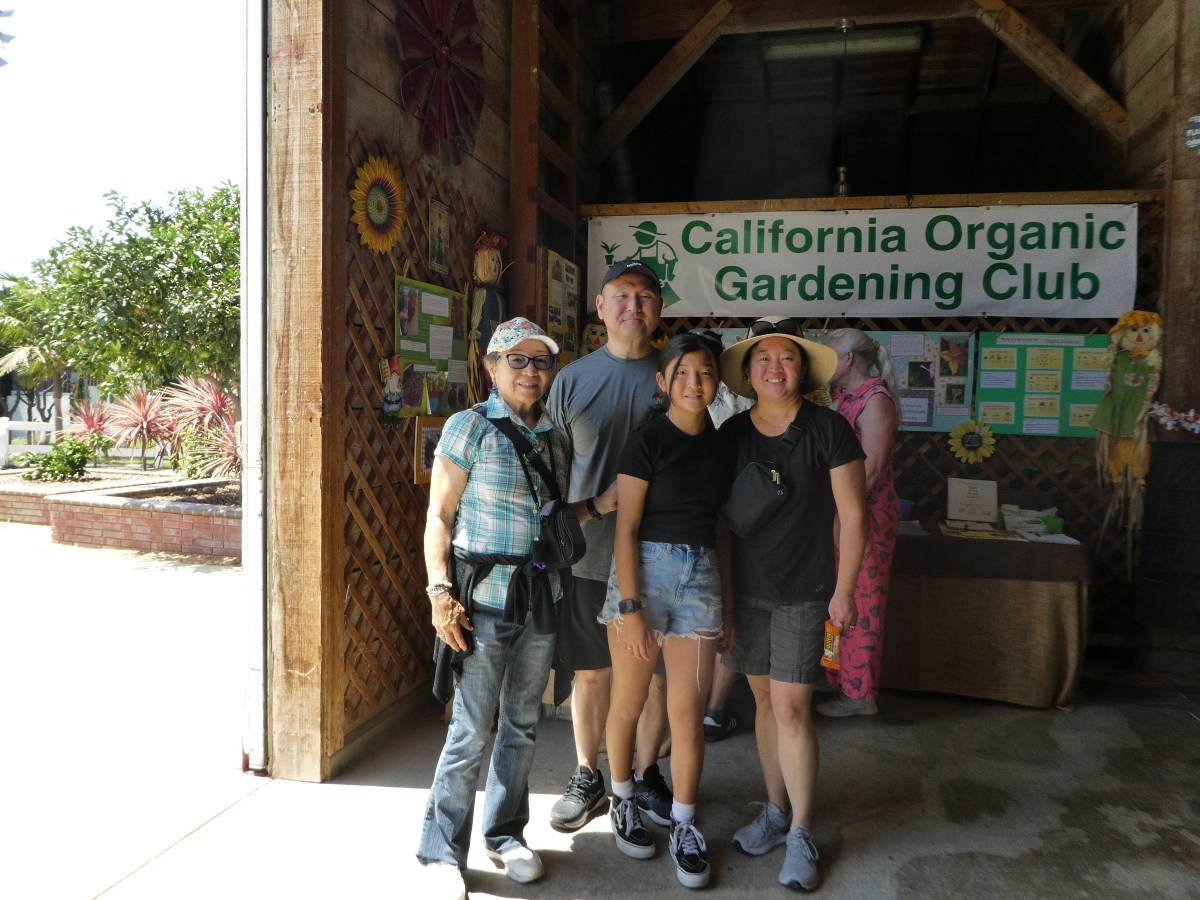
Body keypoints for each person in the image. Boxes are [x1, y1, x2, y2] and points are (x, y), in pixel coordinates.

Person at [416, 318, 612, 899]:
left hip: (541, 598)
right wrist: (439, 593)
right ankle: (439, 853)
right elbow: (439, 516)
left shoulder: (554, 437)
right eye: (517, 360)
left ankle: (504, 836)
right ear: (491, 365)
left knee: (522, 725)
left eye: (541, 361)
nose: (530, 371)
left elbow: (554, 517)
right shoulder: (468, 427)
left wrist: (600, 505)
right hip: (482, 601)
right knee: (471, 729)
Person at [718, 318, 868, 893]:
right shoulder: (732, 433)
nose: (774, 367)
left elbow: (852, 515)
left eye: (786, 358)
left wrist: (844, 591)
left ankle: (803, 830)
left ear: (802, 369)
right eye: (763, 358)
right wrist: (723, 597)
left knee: (791, 708)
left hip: (806, 591)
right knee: (762, 701)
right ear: (749, 371)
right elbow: (719, 520)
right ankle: (776, 810)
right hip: (746, 590)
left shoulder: (829, 428)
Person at [600, 330, 734, 888]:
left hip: (701, 579)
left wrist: (726, 604)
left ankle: (683, 823)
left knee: (688, 716)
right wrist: (631, 608)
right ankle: (623, 800)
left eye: (704, 373)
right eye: (682, 373)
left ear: (718, 381)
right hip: (644, 576)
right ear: (663, 381)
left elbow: (722, 528)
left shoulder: (724, 445)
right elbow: (625, 528)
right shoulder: (647, 440)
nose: (693, 383)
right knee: (629, 702)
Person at [546, 259, 673, 834]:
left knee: (654, 679)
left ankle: (644, 774)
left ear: (659, 309)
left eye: (645, 296)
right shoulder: (572, 380)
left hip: (663, 559)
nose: (633, 306)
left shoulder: (677, 376)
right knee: (592, 673)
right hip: (590, 555)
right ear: (600, 307)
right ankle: (588, 774)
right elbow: (552, 474)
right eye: (621, 295)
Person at [818, 328, 901, 718]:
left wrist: (844, 520)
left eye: (830, 354)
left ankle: (860, 695)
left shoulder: (876, 400)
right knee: (839, 600)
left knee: (861, 604)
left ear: (849, 358)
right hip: (843, 513)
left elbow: (871, 471)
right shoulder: (845, 397)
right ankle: (837, 678)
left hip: (865, 516)